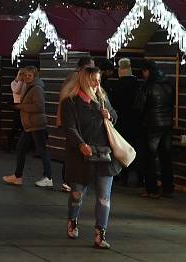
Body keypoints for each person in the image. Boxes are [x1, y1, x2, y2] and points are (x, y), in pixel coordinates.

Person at [60, 66, 119, 249]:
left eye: (99, 79)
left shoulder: (102, 98)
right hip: (81, 155)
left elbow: (115, 116)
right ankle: (72, 219)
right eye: (94, 79)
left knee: (104, 197)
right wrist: (80, 144)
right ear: (84, 80)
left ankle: (100, 234)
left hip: (103, 153)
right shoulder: (70, 102)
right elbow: (69, 127)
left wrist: (109, 115)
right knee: (77, 193)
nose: (97, 83)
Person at [3, 66, 53, 187]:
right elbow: (16, 90)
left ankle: (48, 177)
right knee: (20, 149)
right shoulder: (28, 86)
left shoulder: (37, 89)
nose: (26, 77)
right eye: (25, 75)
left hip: (36, 124)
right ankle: (18, 176)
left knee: (42, 150)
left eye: (29, 75)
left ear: (34, 76)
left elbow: (39, 107)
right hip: (29, 125)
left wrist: (21, 107)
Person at [135, 60, 174, 199]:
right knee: (166, 157)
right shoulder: (169, 84)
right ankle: (168, 188)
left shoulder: (148, 86)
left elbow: (139, 106)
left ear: (147, 71)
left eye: (144, 72)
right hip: (167, 125)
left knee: (150, 157)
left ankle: (152, 189)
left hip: (151, 125)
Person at [56, 56, 95, 192]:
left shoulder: (74, 76)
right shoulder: (76, 77)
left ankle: (70, 180)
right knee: (73, 149)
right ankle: (68, 180)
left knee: (74, 148)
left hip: (73, 119)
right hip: (73, 119)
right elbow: (66, 98)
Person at [109, 58, 143, 186]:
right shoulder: (138, 85)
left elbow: (113, 105)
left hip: (122, 122)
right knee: (136, 149)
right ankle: (140, 179)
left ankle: (124, 177)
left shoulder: (116, 86)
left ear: (120, 69)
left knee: (122, 148)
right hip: (136, 122)